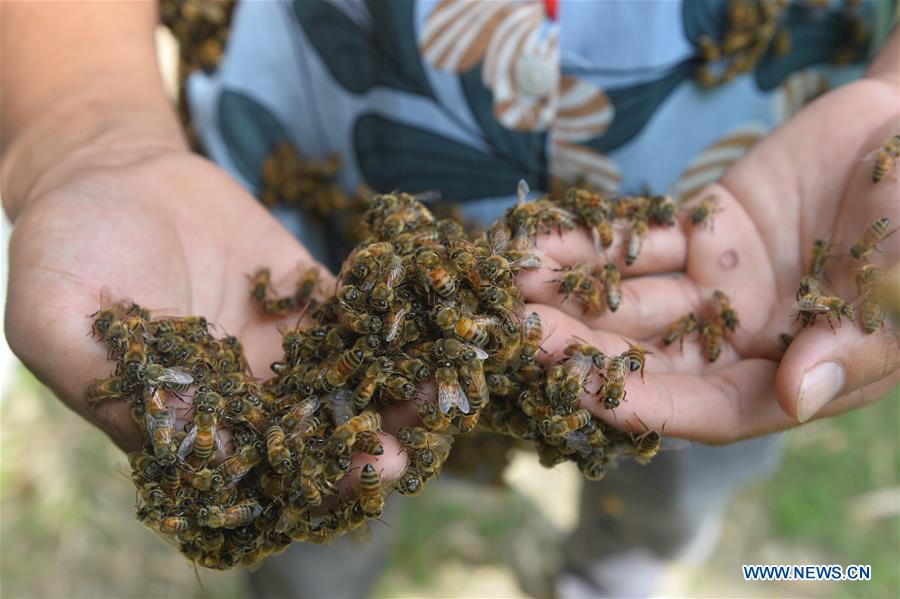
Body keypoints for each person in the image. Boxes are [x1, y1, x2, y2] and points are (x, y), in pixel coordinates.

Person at [2, 1, 897, 597]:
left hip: (727, 263)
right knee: (315, 493)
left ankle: (610, 574)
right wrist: (86, 131)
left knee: (670, 475)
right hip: (279, 228)